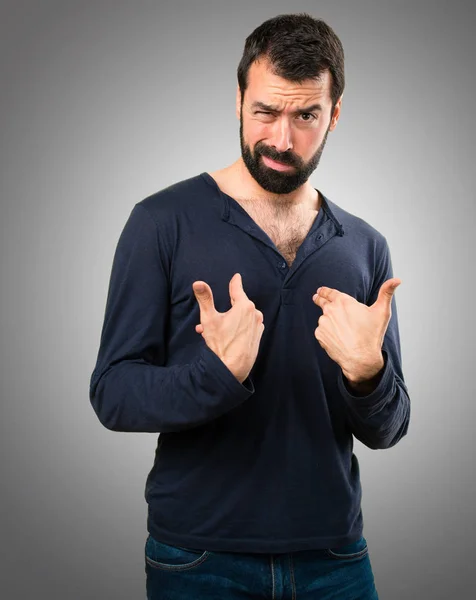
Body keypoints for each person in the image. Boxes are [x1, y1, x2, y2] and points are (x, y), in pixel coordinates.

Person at [89, 12, 410, 600]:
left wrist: (368, 375)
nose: (282, 140)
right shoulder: (161, 222)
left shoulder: (365, 247)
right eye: (265, 111)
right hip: (198, 558)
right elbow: (112, 393)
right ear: (238, 100)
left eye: (306, 116)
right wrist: (216, 377)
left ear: (335, 113)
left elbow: (388, 428)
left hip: (335, 557)